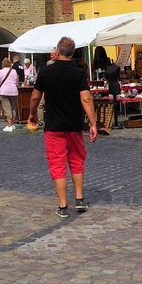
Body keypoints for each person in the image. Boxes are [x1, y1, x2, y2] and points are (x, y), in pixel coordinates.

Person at [28, 36, 98, 218]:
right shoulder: (79, 73)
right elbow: (86, 99)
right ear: (72, 54)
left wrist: (32, 113)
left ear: (57, 52)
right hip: (74, 125)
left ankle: (63, 206)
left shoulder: (46, 72)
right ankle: (80, 199)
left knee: (57, 164)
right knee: (77, 161)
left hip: (54, 127)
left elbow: (35, 97)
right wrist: (93, 123)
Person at [0, 57, 19, 131]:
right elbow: (16, 82)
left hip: (4, 91)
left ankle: (9, 125)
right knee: (13, 108)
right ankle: (13, 124)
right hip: (14, 91)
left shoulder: (0, 72)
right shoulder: (14, 71)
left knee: (7, 108)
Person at [105, 60, 122, 129]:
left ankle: (116, 121)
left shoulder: (109, 68)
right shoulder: (117, 68)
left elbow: (106, 77)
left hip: (112, 85)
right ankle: (115, 121)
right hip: (115, 84)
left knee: (114, 101)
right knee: (114, 102)